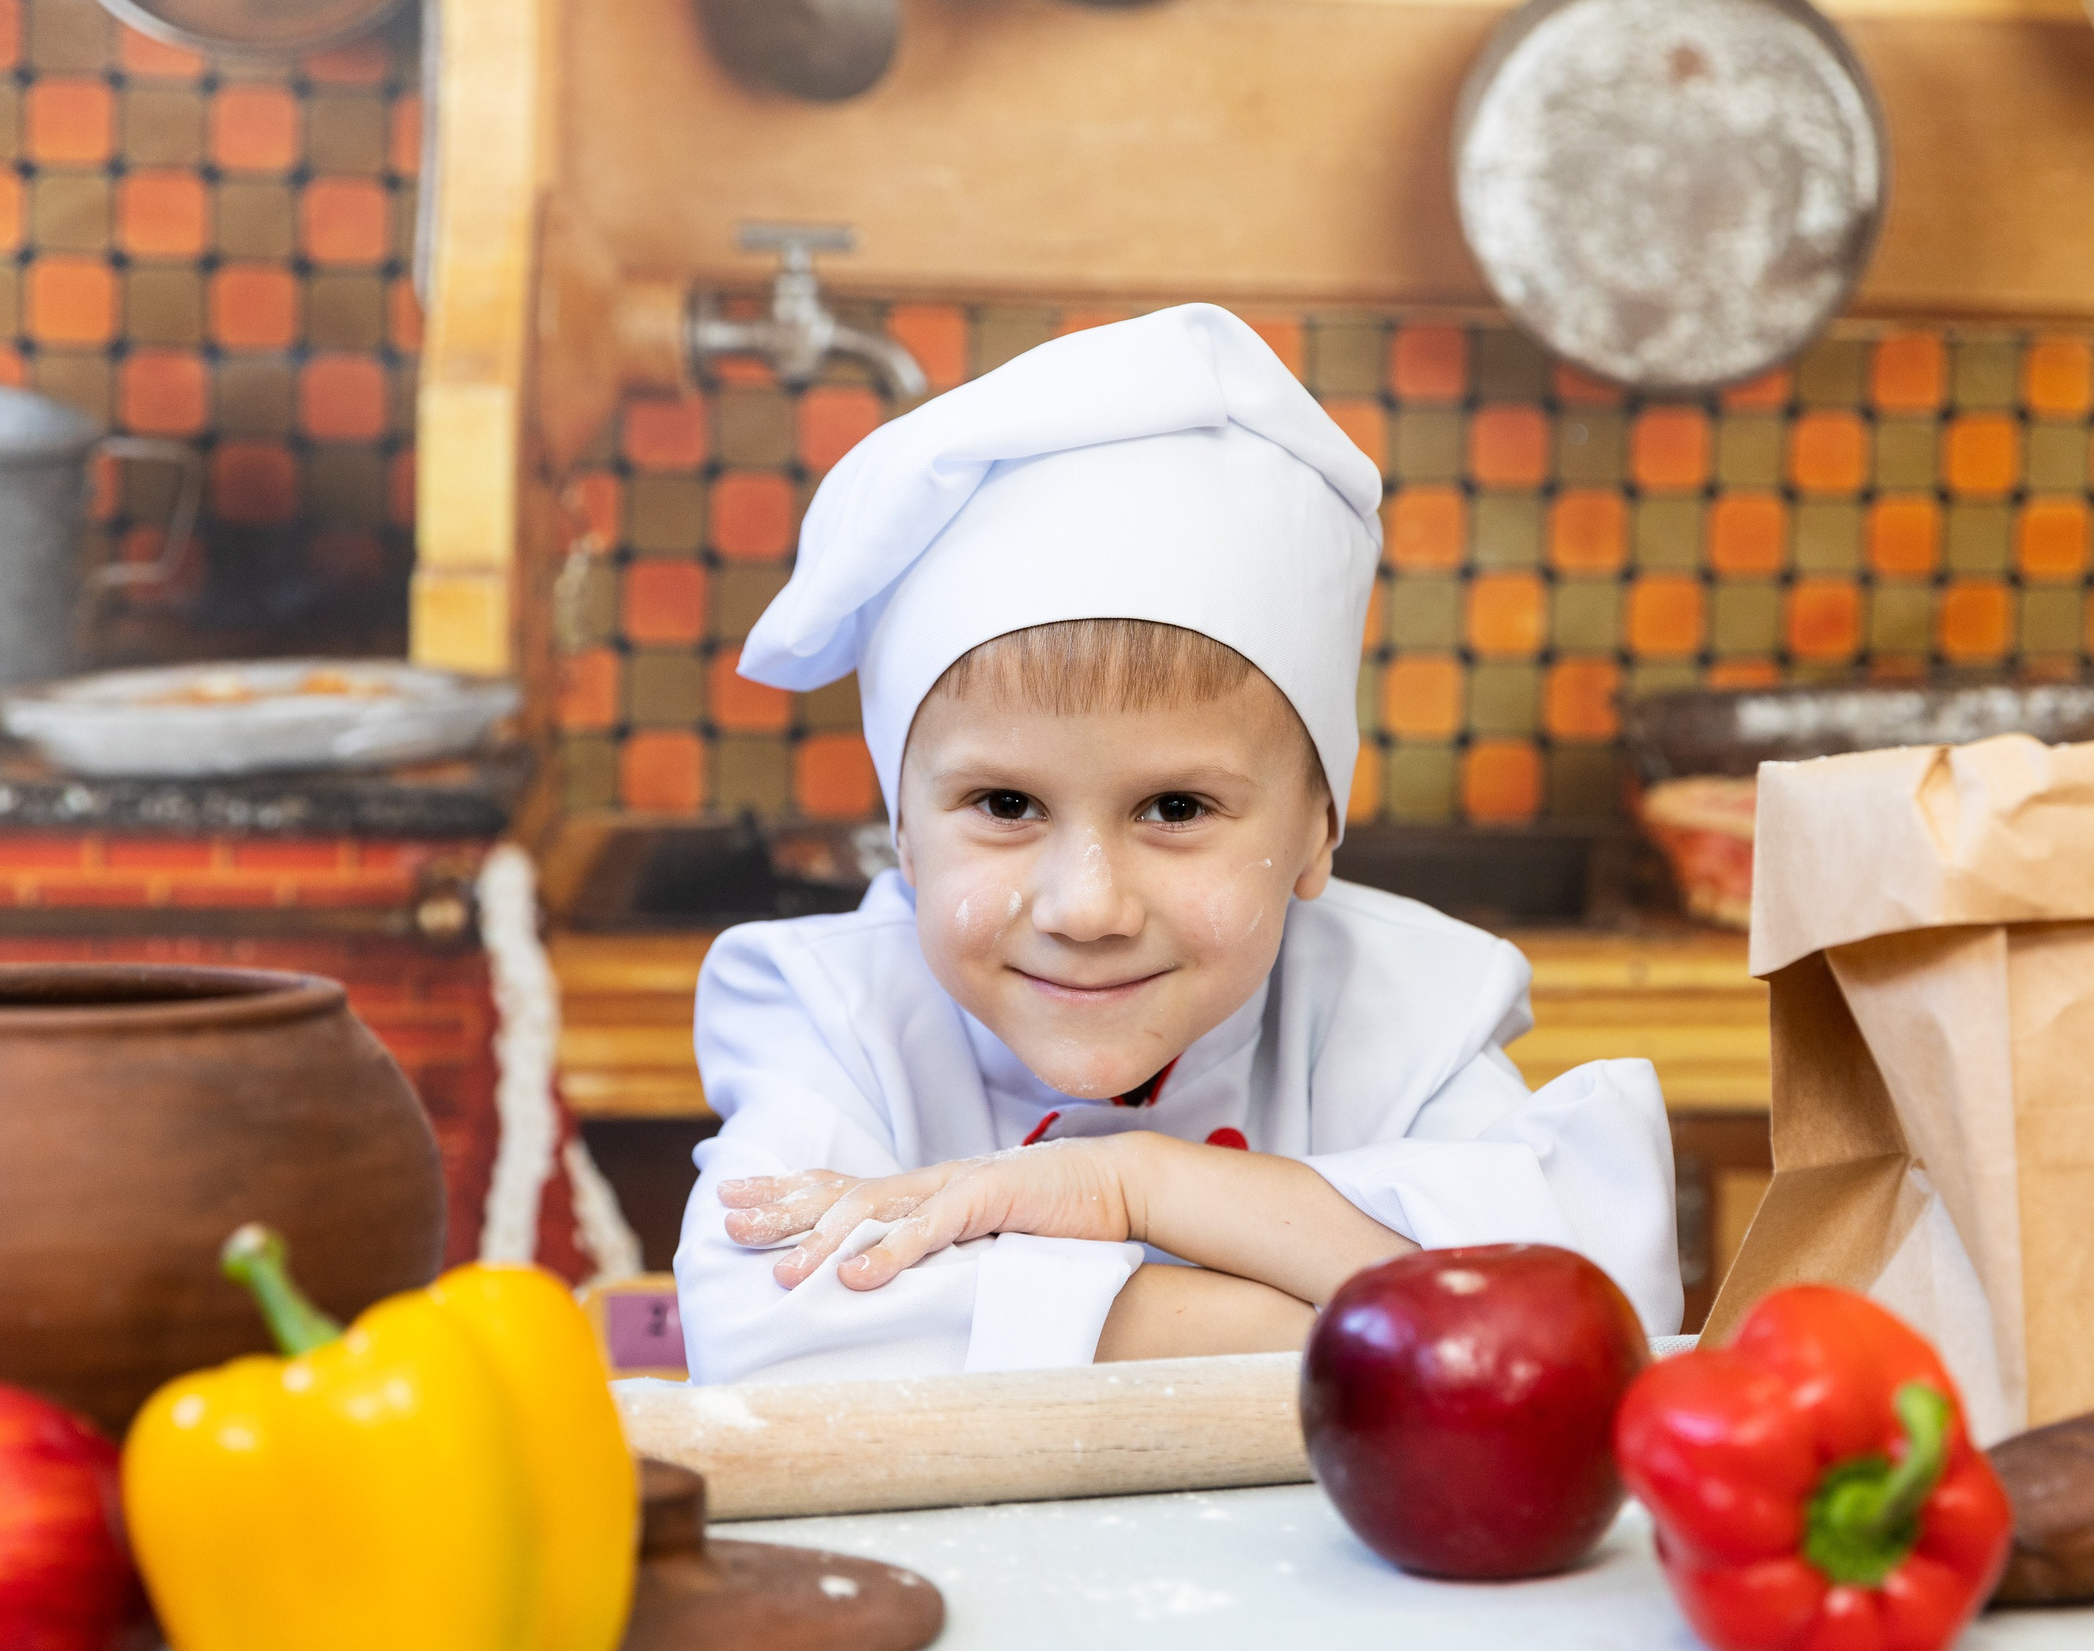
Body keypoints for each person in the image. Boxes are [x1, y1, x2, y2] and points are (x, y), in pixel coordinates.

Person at [675, 304, 1680, 1385]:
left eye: (1174, 809)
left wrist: (1131, 1187)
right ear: (903, 836)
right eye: (1006, 803)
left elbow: (1583, 1309)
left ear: (1319, 828)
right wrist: (1358, 1320)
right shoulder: (836, 1015)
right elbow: (760, 1330)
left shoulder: (1400, 1012)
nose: (1086, 907)